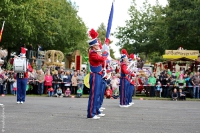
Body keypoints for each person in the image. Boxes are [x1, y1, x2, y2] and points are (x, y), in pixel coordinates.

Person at [87, 29, 107, 119]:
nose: (98, 45)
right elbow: (101, 59)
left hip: (98, 74)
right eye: (97, 45)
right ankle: (91, 113)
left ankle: (95, 111)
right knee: (94, 95)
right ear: (93, 46)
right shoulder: (92, 53)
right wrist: (105, 54)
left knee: (97, 94)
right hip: (95, 75)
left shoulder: (95, 52)